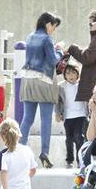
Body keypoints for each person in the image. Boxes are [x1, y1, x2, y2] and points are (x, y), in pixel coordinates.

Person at [20, 11, 65, 169]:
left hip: (27, 80)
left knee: (27, 119)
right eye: (53, 25)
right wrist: (59, 51)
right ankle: (44, 152)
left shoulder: (30, 36)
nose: (53, 29)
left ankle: (19, 149)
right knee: (46, 120)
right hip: (44, 81)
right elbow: (53, 60)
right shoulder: (47, 39)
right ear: (48, 24)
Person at [0, 118, 38, 189]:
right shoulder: (27, 150)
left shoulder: (3, 154)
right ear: (18, 135)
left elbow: (3, 174)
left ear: (2, 136)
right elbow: (33, 170)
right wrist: (24, 176)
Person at [56, 64, 89, 168]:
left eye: (73, 73)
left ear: (78, 74)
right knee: (69, 139)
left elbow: (89, 98)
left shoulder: (82, 85)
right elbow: (57, 101)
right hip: (68, 116)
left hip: (81, 115)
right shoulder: (61, 86)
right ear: (64, 75)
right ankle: (69, 160)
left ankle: (80, 160)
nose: (71, 75)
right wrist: (58, 113)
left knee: (79, 137)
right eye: (68, 73)